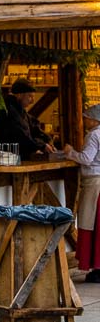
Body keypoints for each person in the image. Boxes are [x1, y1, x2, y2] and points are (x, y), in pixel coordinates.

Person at [64, 100, 100, 281]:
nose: (85, 121)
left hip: (95, 183)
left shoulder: (94, 135)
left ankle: (97, 267)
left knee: (91, 223)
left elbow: (86, 158)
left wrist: (70, 152)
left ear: (95, 120)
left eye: (87, 118)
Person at [0, 80, 55, 159]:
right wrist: (42, 145)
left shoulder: (19, 110)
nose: (32, 101)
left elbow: (34, 126)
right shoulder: (9, 110)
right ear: (19, 95)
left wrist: (47, 139)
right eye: (30, 96)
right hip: (7, 158)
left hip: (15, 157)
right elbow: (21, 135)